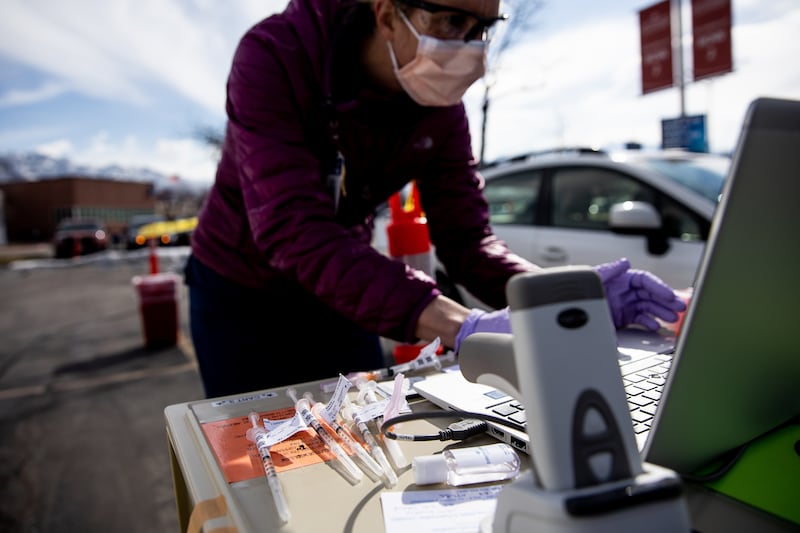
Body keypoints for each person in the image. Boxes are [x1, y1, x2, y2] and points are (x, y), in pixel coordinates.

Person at [185, 0, 686, 398]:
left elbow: (469, 241)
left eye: (482, 29)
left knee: (362, 437)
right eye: (451, 20)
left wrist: (564, 297)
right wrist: (458, 322)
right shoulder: (277, 56)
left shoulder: (441, 107)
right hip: (239, 291)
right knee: (253, 458)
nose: (469, 49)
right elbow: (294, 227)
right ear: (386, 13)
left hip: (339, 286)